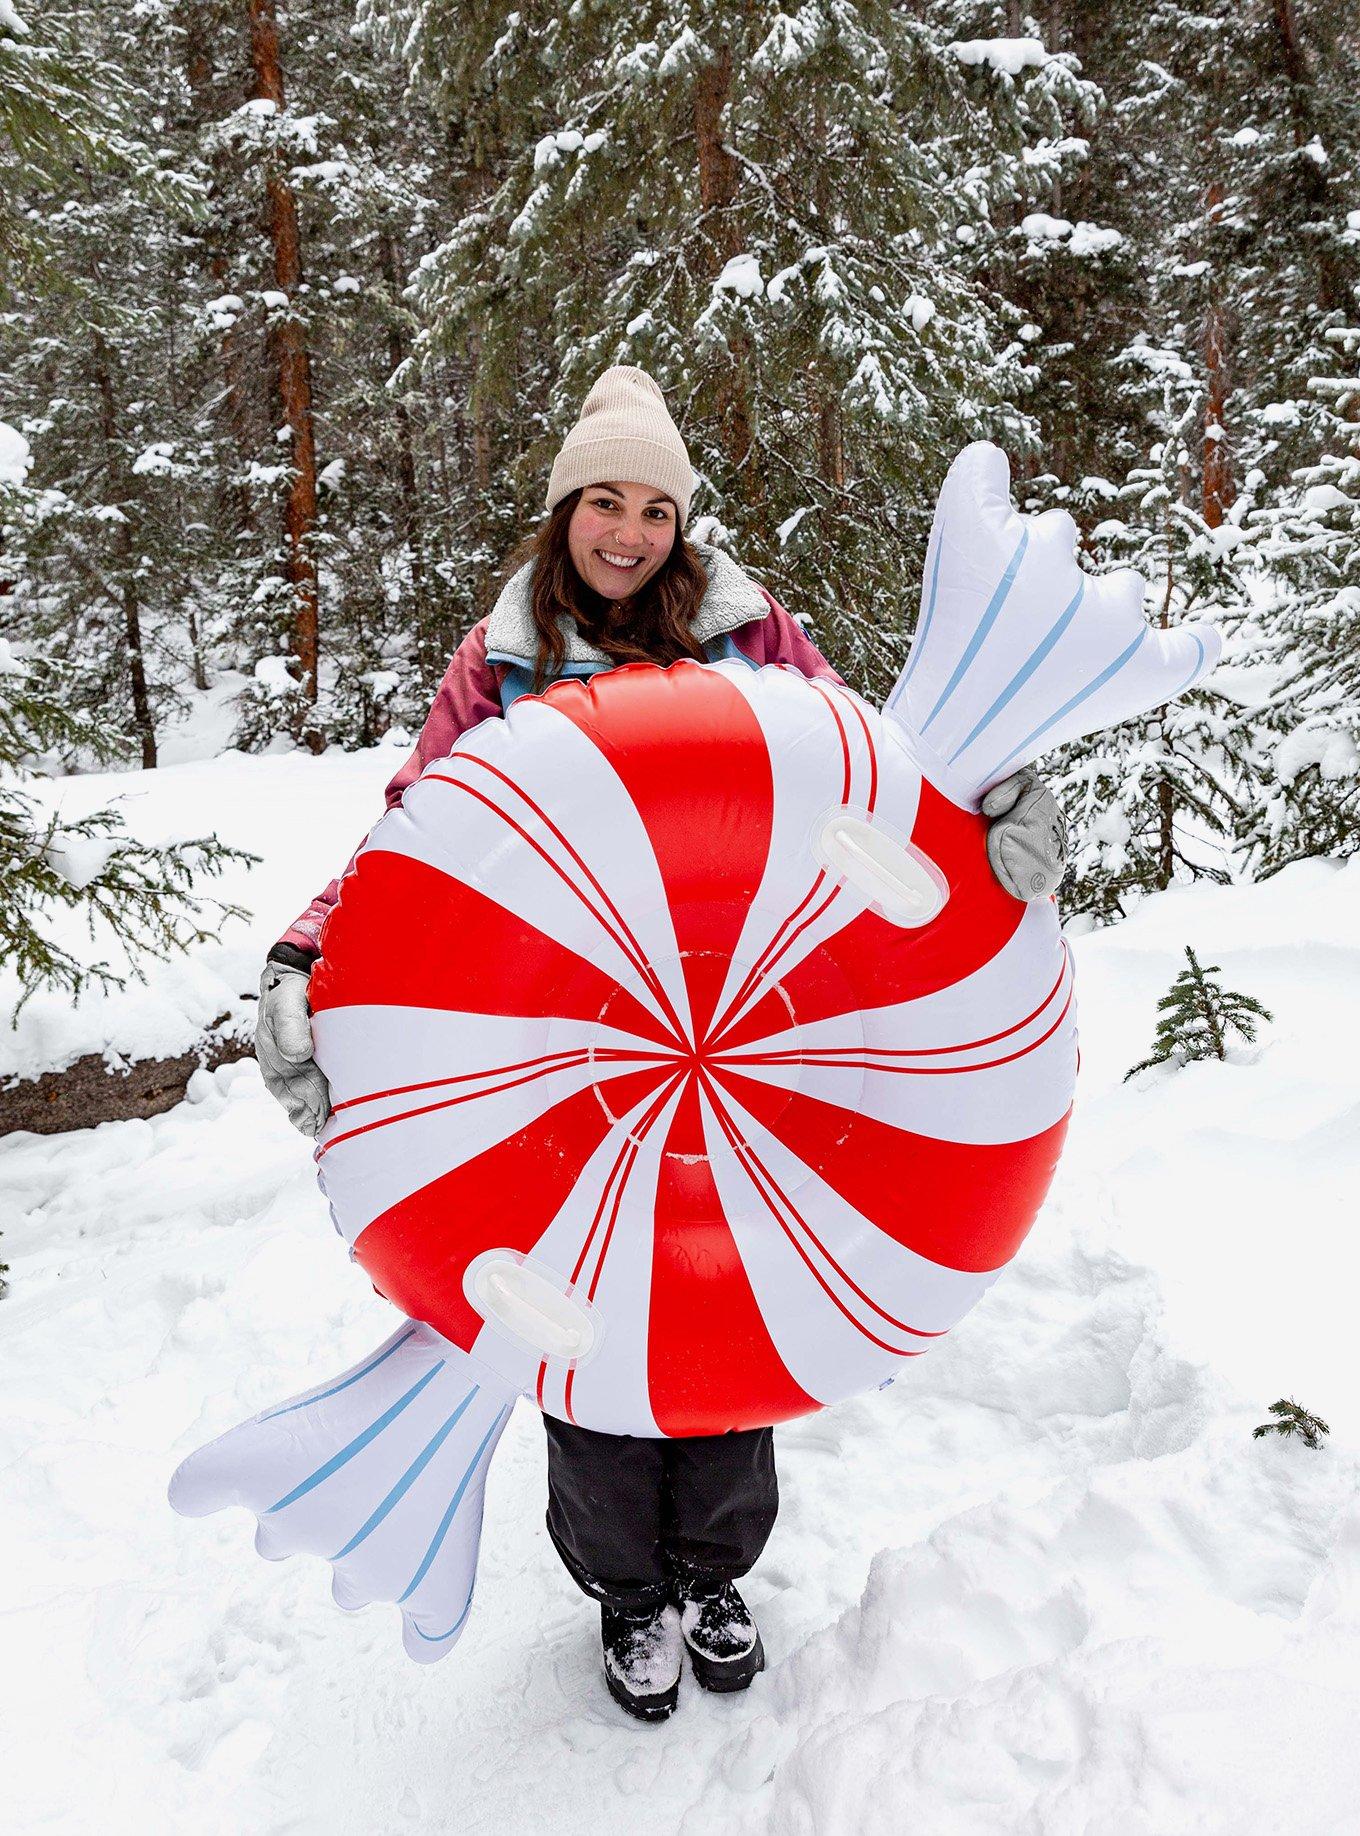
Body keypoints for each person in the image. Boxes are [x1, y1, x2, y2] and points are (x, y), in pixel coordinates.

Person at [255, 366, 1067, 1722]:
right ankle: (627, 1588)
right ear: (565, 507)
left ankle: (711, 1571)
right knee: (581, 1329)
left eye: (654, 509)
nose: (628, 533)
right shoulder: (502, 662)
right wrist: (305, 950)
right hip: (557, 1053)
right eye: (604, 503)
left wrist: (994, 807)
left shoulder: (751, 638)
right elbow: (413, 833)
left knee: (729, 1311)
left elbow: (879, 776)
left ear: (682, 524)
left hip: (760, 1046)